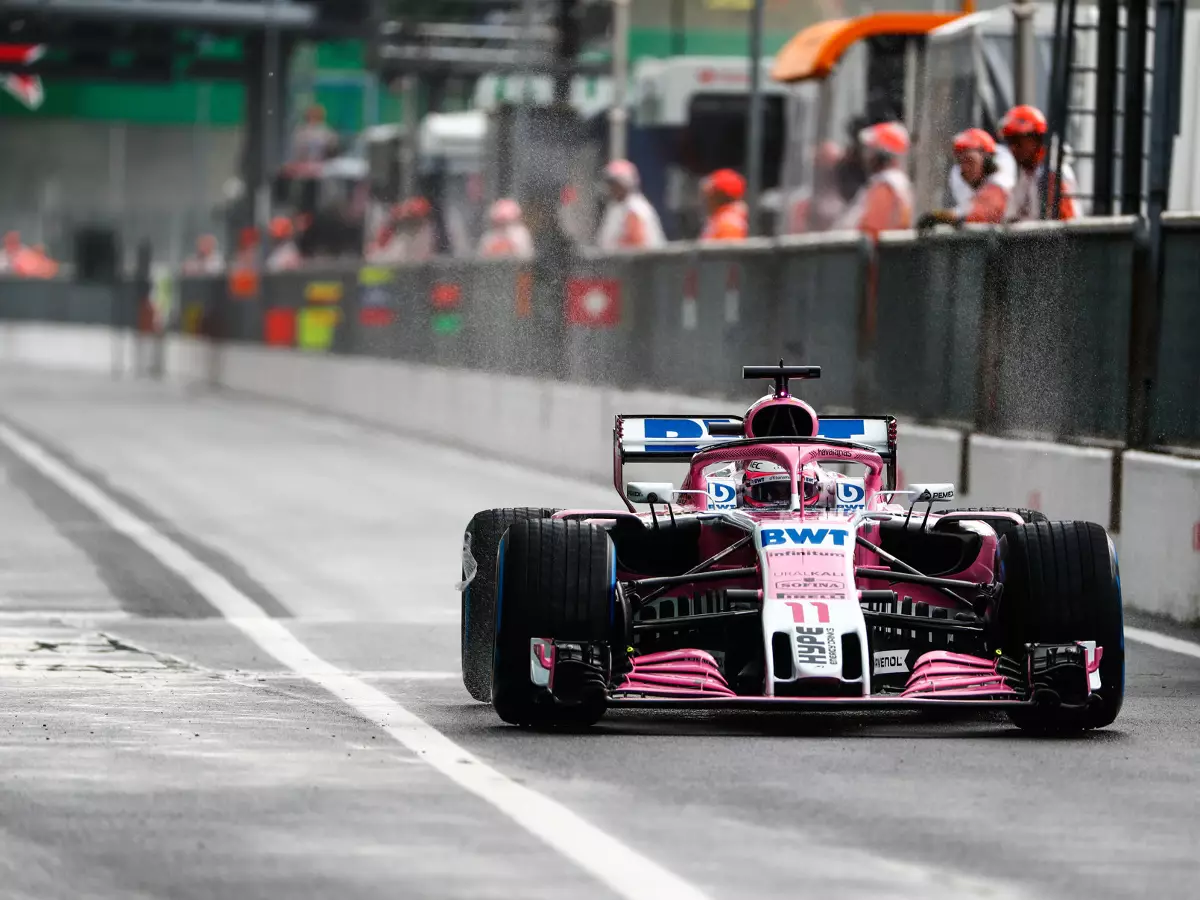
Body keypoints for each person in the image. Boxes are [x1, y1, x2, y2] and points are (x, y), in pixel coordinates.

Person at [918, 128, 1011, 229]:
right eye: (960, 162)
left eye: (969, 161)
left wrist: (942, 218)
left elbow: (978, 215)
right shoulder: (978, 190)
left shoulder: (999, 185)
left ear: (987, 161)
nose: (964, 168)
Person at [999, 104, 1078, 222]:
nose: (1013, 149)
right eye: (1010, 142)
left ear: (1037, 138)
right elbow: (1010, 217)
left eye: (1018, 141)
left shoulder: (1052, 173)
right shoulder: (1029, 173)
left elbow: (1065, 222)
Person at [837, 121, 913, 239]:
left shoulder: (886, 185)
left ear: (883, 154)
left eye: (871, 151)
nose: (866, 156)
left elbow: (871, 230)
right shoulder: (895, 182)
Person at [595, 159, 665, 251]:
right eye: (610, 184)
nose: (611, 188)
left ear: (624, 183)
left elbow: (636, 245)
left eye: (614, 184)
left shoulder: (635, 208)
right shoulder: (616, 207)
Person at [784, 141, 847, 234]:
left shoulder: (851, 197)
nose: (831, 169)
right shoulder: (803, 203)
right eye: (826, 163)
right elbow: (796, 235)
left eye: (837, 164)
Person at [700, 169, 749, 241]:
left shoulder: (728, 224)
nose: (706, 199)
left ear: (720, 196)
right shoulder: (720, 218)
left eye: (710, 194)